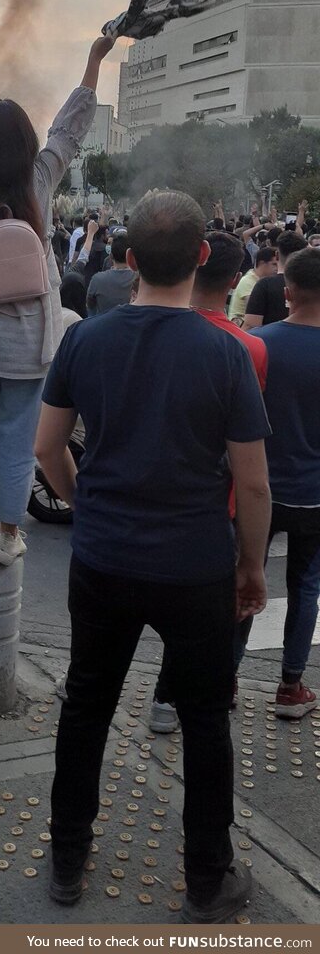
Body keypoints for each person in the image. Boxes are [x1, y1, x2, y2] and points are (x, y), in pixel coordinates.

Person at [34, 190, 271, 923]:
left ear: (127, 259)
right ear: (205, 259)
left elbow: (46, 449)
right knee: (204, 720)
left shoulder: (86, 340)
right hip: (195, 563)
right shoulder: (224, 352)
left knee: (86, 705)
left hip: (103, 559)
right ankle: (207, 877)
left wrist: (83, 506)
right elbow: (254, 482)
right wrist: (252, 568)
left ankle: (68, 858)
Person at [0, 35, 114, 565]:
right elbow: (68, 131)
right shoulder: (39, 180)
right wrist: (94, 61)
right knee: (16, 442)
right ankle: (10, 536)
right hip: (29, 335)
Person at [149, 229, 269, 733]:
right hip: (211, 508)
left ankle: (156, 697)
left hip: (132, 508)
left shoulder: (135, 330)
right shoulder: (246, 348)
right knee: (203, 628)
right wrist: (252, 559)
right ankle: (199, 693)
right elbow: (250, 465)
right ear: (234, 277)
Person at [236, 247, 320, 717]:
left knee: (246, 578)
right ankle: (291, 687)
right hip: (315, 496)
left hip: (258, 490)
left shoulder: (258, 345)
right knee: (306, 585)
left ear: (286, 294)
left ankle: (225, 679)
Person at [244, 231, 307, 330]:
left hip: (268, 343)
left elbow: (251, 325)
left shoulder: (264, 285)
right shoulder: (311, 285)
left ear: (277, 255)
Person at [86, 231, 135, 315]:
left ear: (111, 255)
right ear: (131, 255)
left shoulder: (97, 280)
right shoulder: (140, 280)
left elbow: (90, 307)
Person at [228, 245, 277, 325]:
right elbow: (255, 309)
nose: (277, 268)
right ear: (262, 263)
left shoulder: (262, 281)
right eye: (274, 264)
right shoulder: (248, 281)